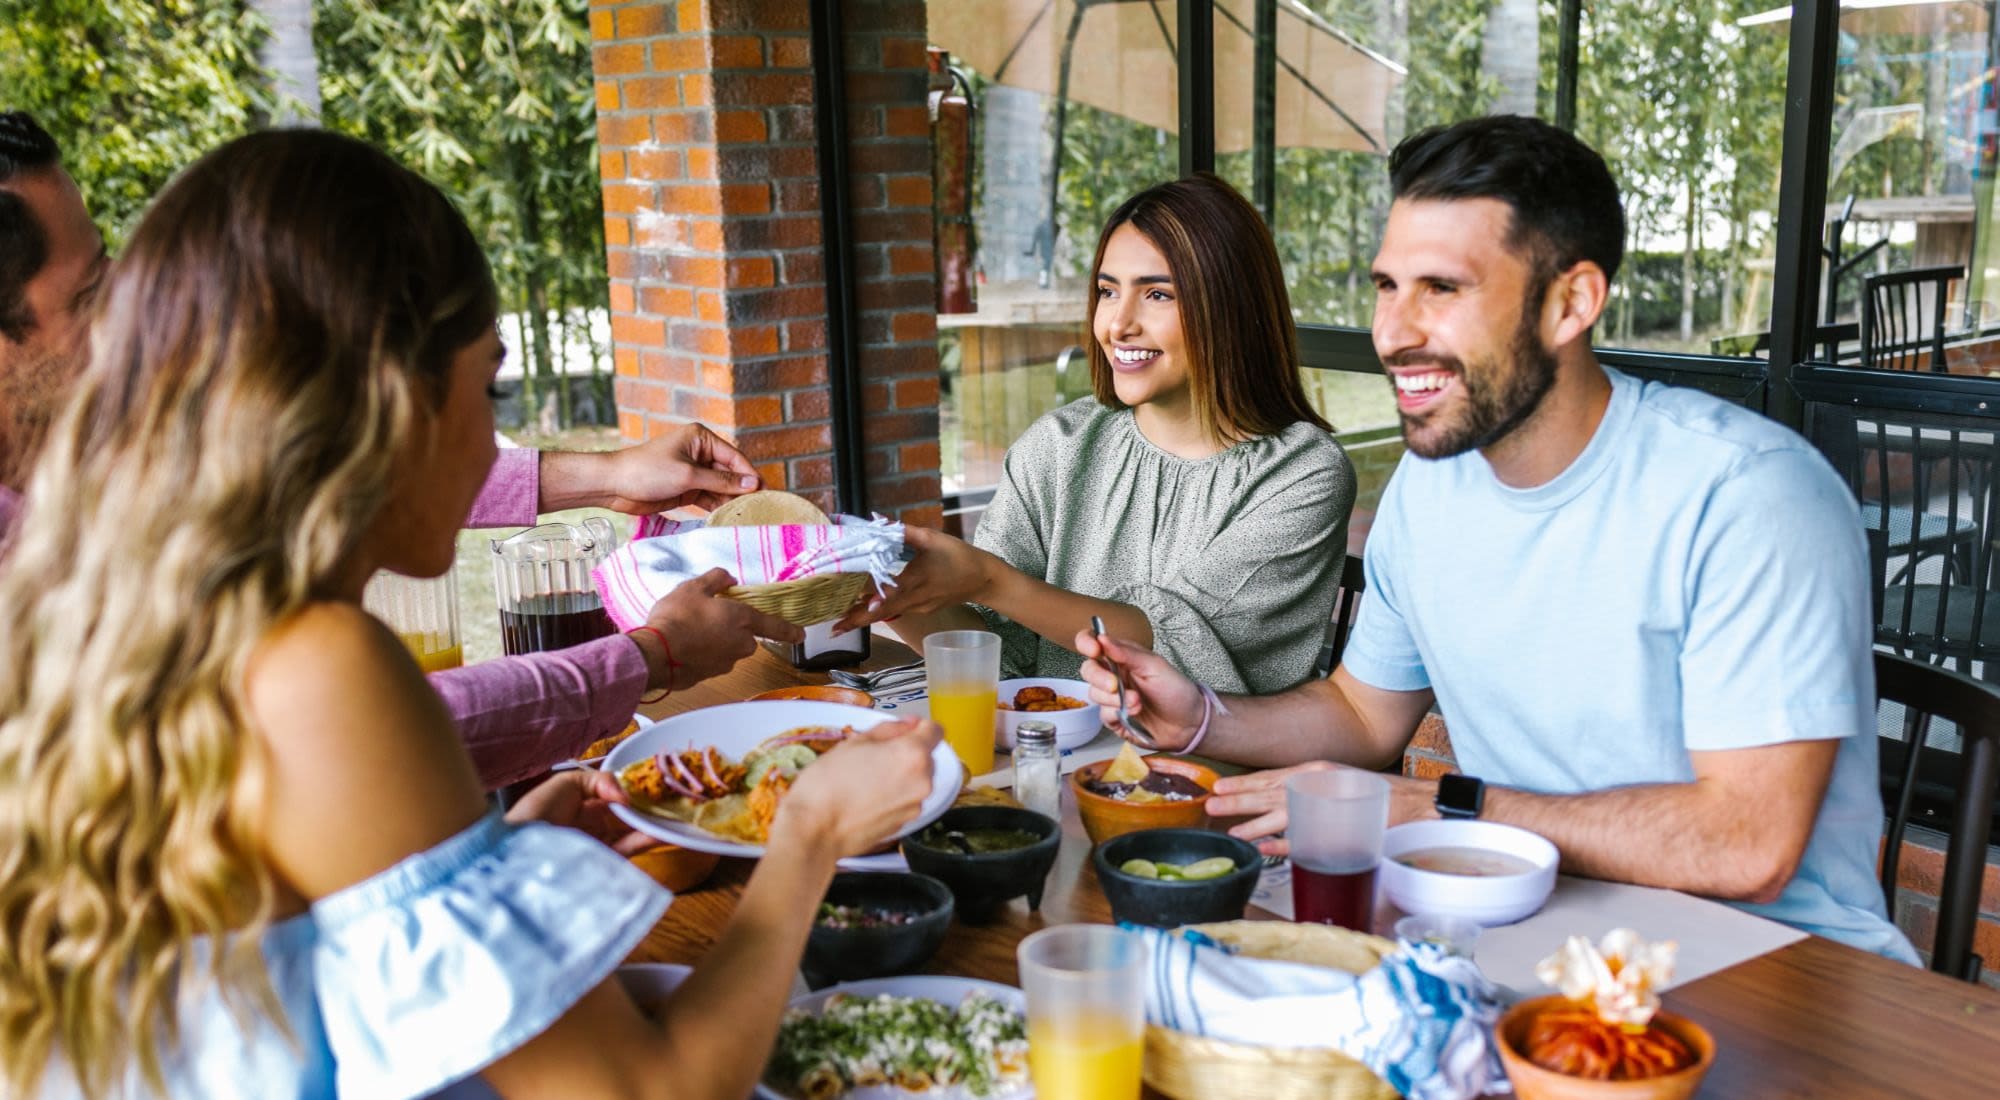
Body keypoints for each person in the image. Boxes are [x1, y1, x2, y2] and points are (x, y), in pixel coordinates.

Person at [0, 128, 944, 1100]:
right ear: (389, 399)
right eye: (487, 383)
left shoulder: (134, 611)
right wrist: (811, 828)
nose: (491, 439)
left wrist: (490, 862)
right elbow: (649, 1091)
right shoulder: (314, 661)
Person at [1077, 115, 1915, 962]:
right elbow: (1364, 716)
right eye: (1386, 287)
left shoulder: (1749, 495)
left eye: (1441, 289)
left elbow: (1747, 845)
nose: (1394, 332)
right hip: (1528, 934)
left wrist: (1448, 810)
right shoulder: (1432, 485)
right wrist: (1200, 718)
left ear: (1570, 303)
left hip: (1780, 969)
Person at [0, 110, 798, 789]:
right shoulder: (325, 663)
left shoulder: (93, 474)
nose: (125, 328)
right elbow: (364, 742)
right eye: (91, 295)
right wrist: (648, 659)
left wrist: (609, 478)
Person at [837, 174, 1355, 694]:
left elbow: (1179, 653)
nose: (1117, 324)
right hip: (1060, 751)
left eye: (1157, 294)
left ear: (1231, 308)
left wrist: (989, 579)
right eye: (1108, 291)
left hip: (1217, 766)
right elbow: (1001, 651)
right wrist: (880, 591)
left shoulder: (1301, 474)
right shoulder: (1058, 447)